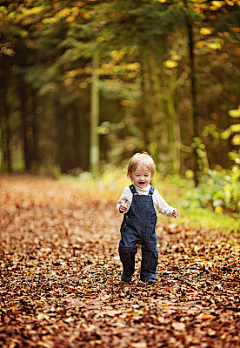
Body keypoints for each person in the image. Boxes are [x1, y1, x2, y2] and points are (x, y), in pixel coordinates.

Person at [117, 152, 179, 283]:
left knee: (151, 251)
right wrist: (121, 207)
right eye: (138, 175)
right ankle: (128, 271)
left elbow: (162, 207)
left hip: (147, 229)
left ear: (151, 175)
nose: (142, 179)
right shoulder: (129, 191)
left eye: (146, 175)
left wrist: (171, 211)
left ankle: (148, 274)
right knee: (126, 248)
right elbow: (121, 203)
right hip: (131, 228)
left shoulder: (153, 192)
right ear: (130, 175)